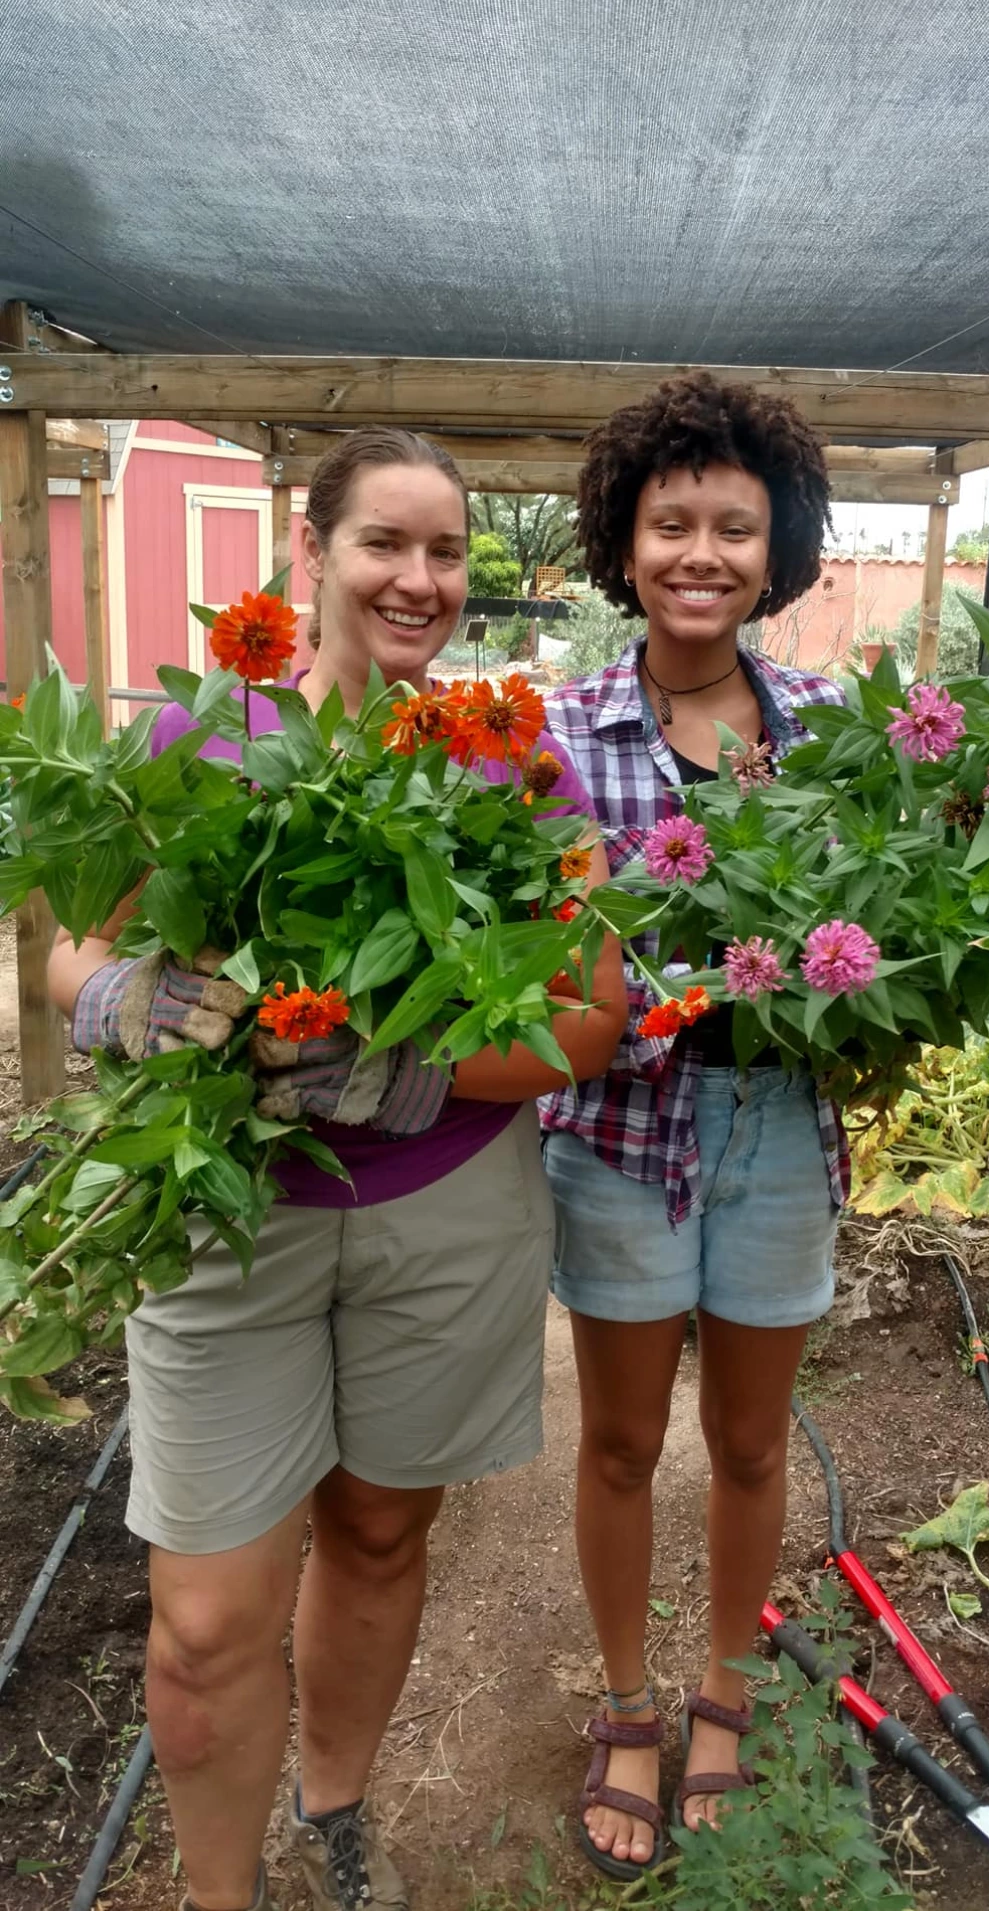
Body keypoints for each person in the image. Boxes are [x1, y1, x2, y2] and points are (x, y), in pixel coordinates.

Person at [47, 429, 628, 1911]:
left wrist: (414, 1065)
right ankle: (219, 1893)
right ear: (311, 556)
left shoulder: (510, 764)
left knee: (378, 1527)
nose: (420, 578)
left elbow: (592, 1017)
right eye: (387, 543)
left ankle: (338, 1803)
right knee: (202, 1619)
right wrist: (106, 998)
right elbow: (73, 937)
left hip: (440, 1206)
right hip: (226, 1209)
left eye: (447, 554)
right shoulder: (201, 741)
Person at [540, 373, 849, 1878]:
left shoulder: (840, 730)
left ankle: (724, 1679)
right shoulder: (552, 729)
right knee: (615, 1436)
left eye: (737, 524)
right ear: (626, 537)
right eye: (674, 522)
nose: (704, 552)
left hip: (777, 1120)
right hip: (616, 1124)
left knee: (746, 1436)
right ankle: (624, 1699)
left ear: (777, 544)